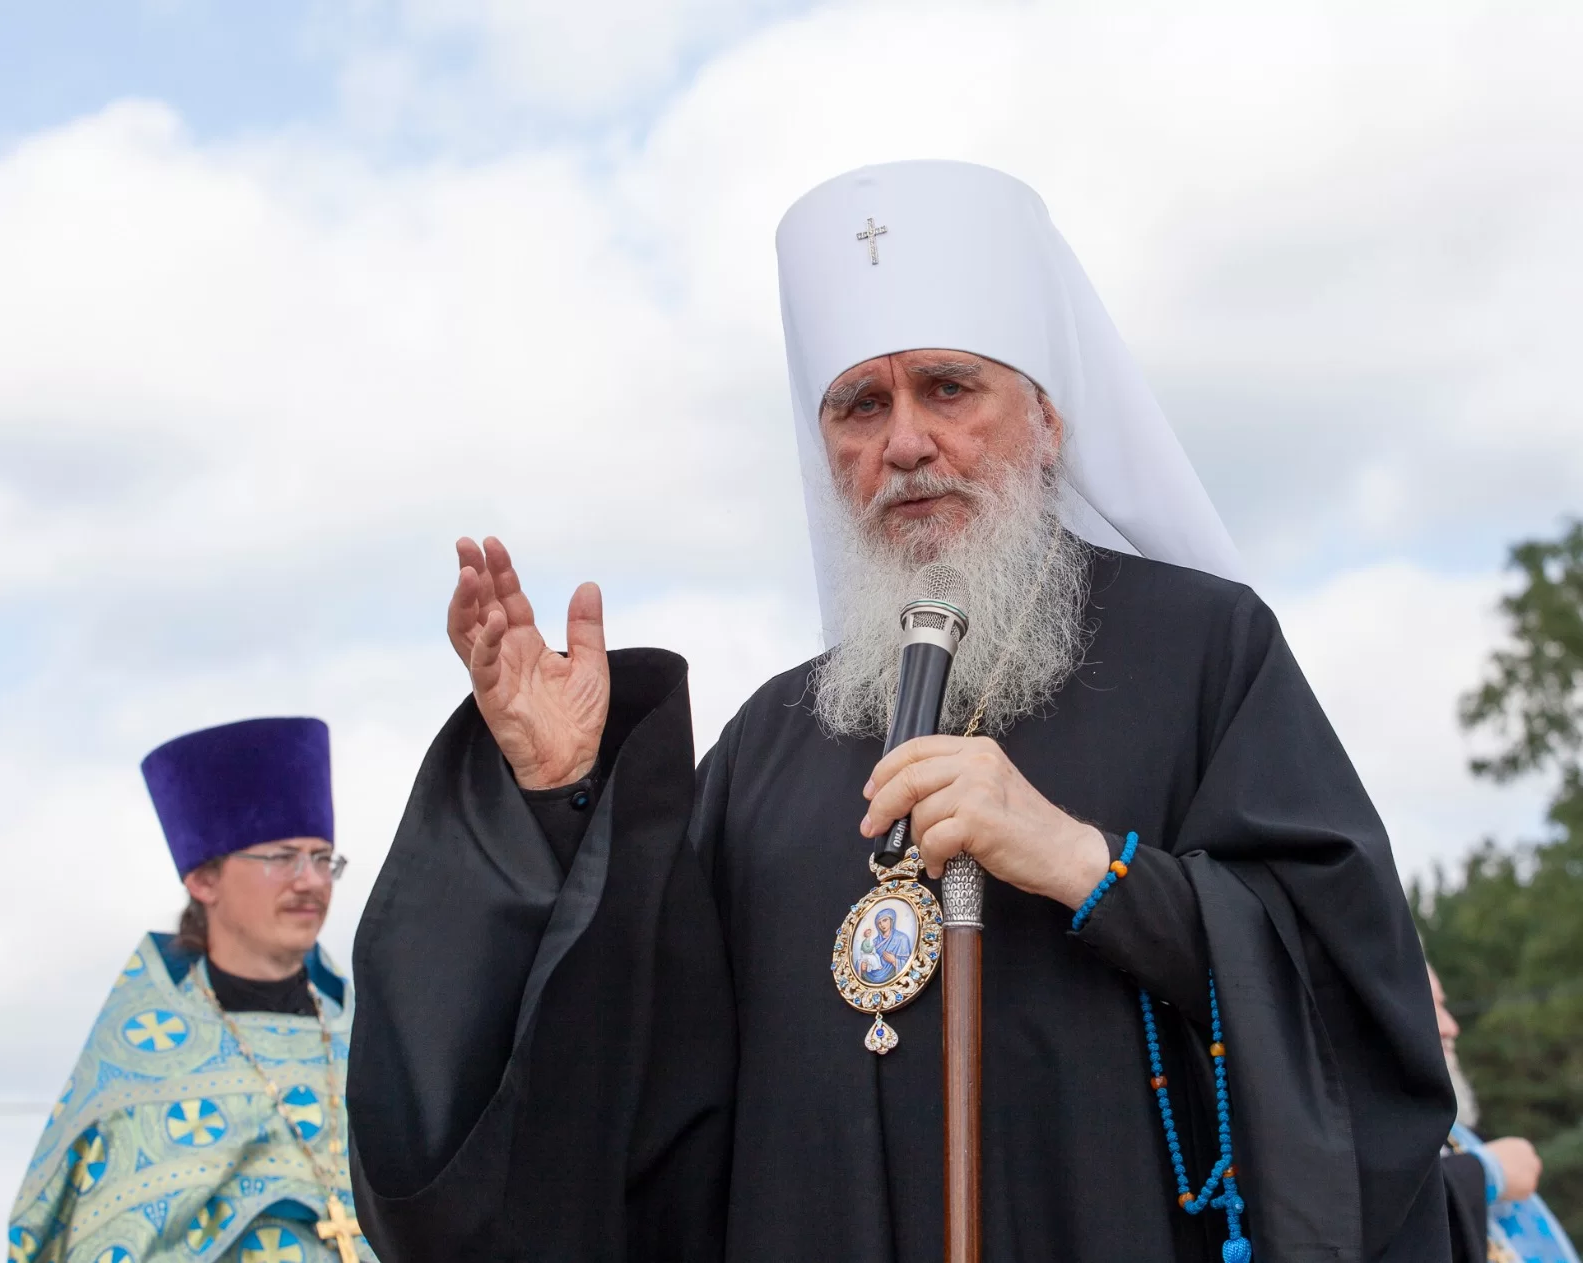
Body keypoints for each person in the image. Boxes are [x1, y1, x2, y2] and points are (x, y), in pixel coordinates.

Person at [347, 161, 1454, 1261]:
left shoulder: (1202, 647)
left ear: (1047, 421)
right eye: (862, 406)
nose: (907, 444)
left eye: (948, 390)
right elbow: (637, 1074)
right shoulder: (771, 741)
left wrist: (1088, 866)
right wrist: (562, 801)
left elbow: (1349, 994)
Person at [9, 718, 375, 1263]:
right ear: (203, 879)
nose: (312, 881)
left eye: (323, 858)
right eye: (282, 857)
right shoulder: (136, 1059)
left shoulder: (371, 1042)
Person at [1430, 967, 1578, 1263]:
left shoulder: (1458, 1135)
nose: (1451, 1027)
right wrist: (1485, 1173)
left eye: (1443, 1006)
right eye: (1428, 1007)